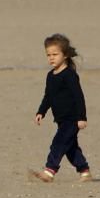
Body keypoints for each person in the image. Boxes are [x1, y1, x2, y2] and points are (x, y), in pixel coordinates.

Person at [33, 34, 91, 183]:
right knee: (70, 148)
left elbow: (79, 96)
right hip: (60, 119)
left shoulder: (69, 75)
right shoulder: (50, 76)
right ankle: (84, 171)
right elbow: (48, 96)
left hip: (72, 119)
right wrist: (41, 112)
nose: (51, 58)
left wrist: (81, 117)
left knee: (58, 143)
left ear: (65, 55)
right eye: (48, 55)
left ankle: (49, 171)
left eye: (55, 54)